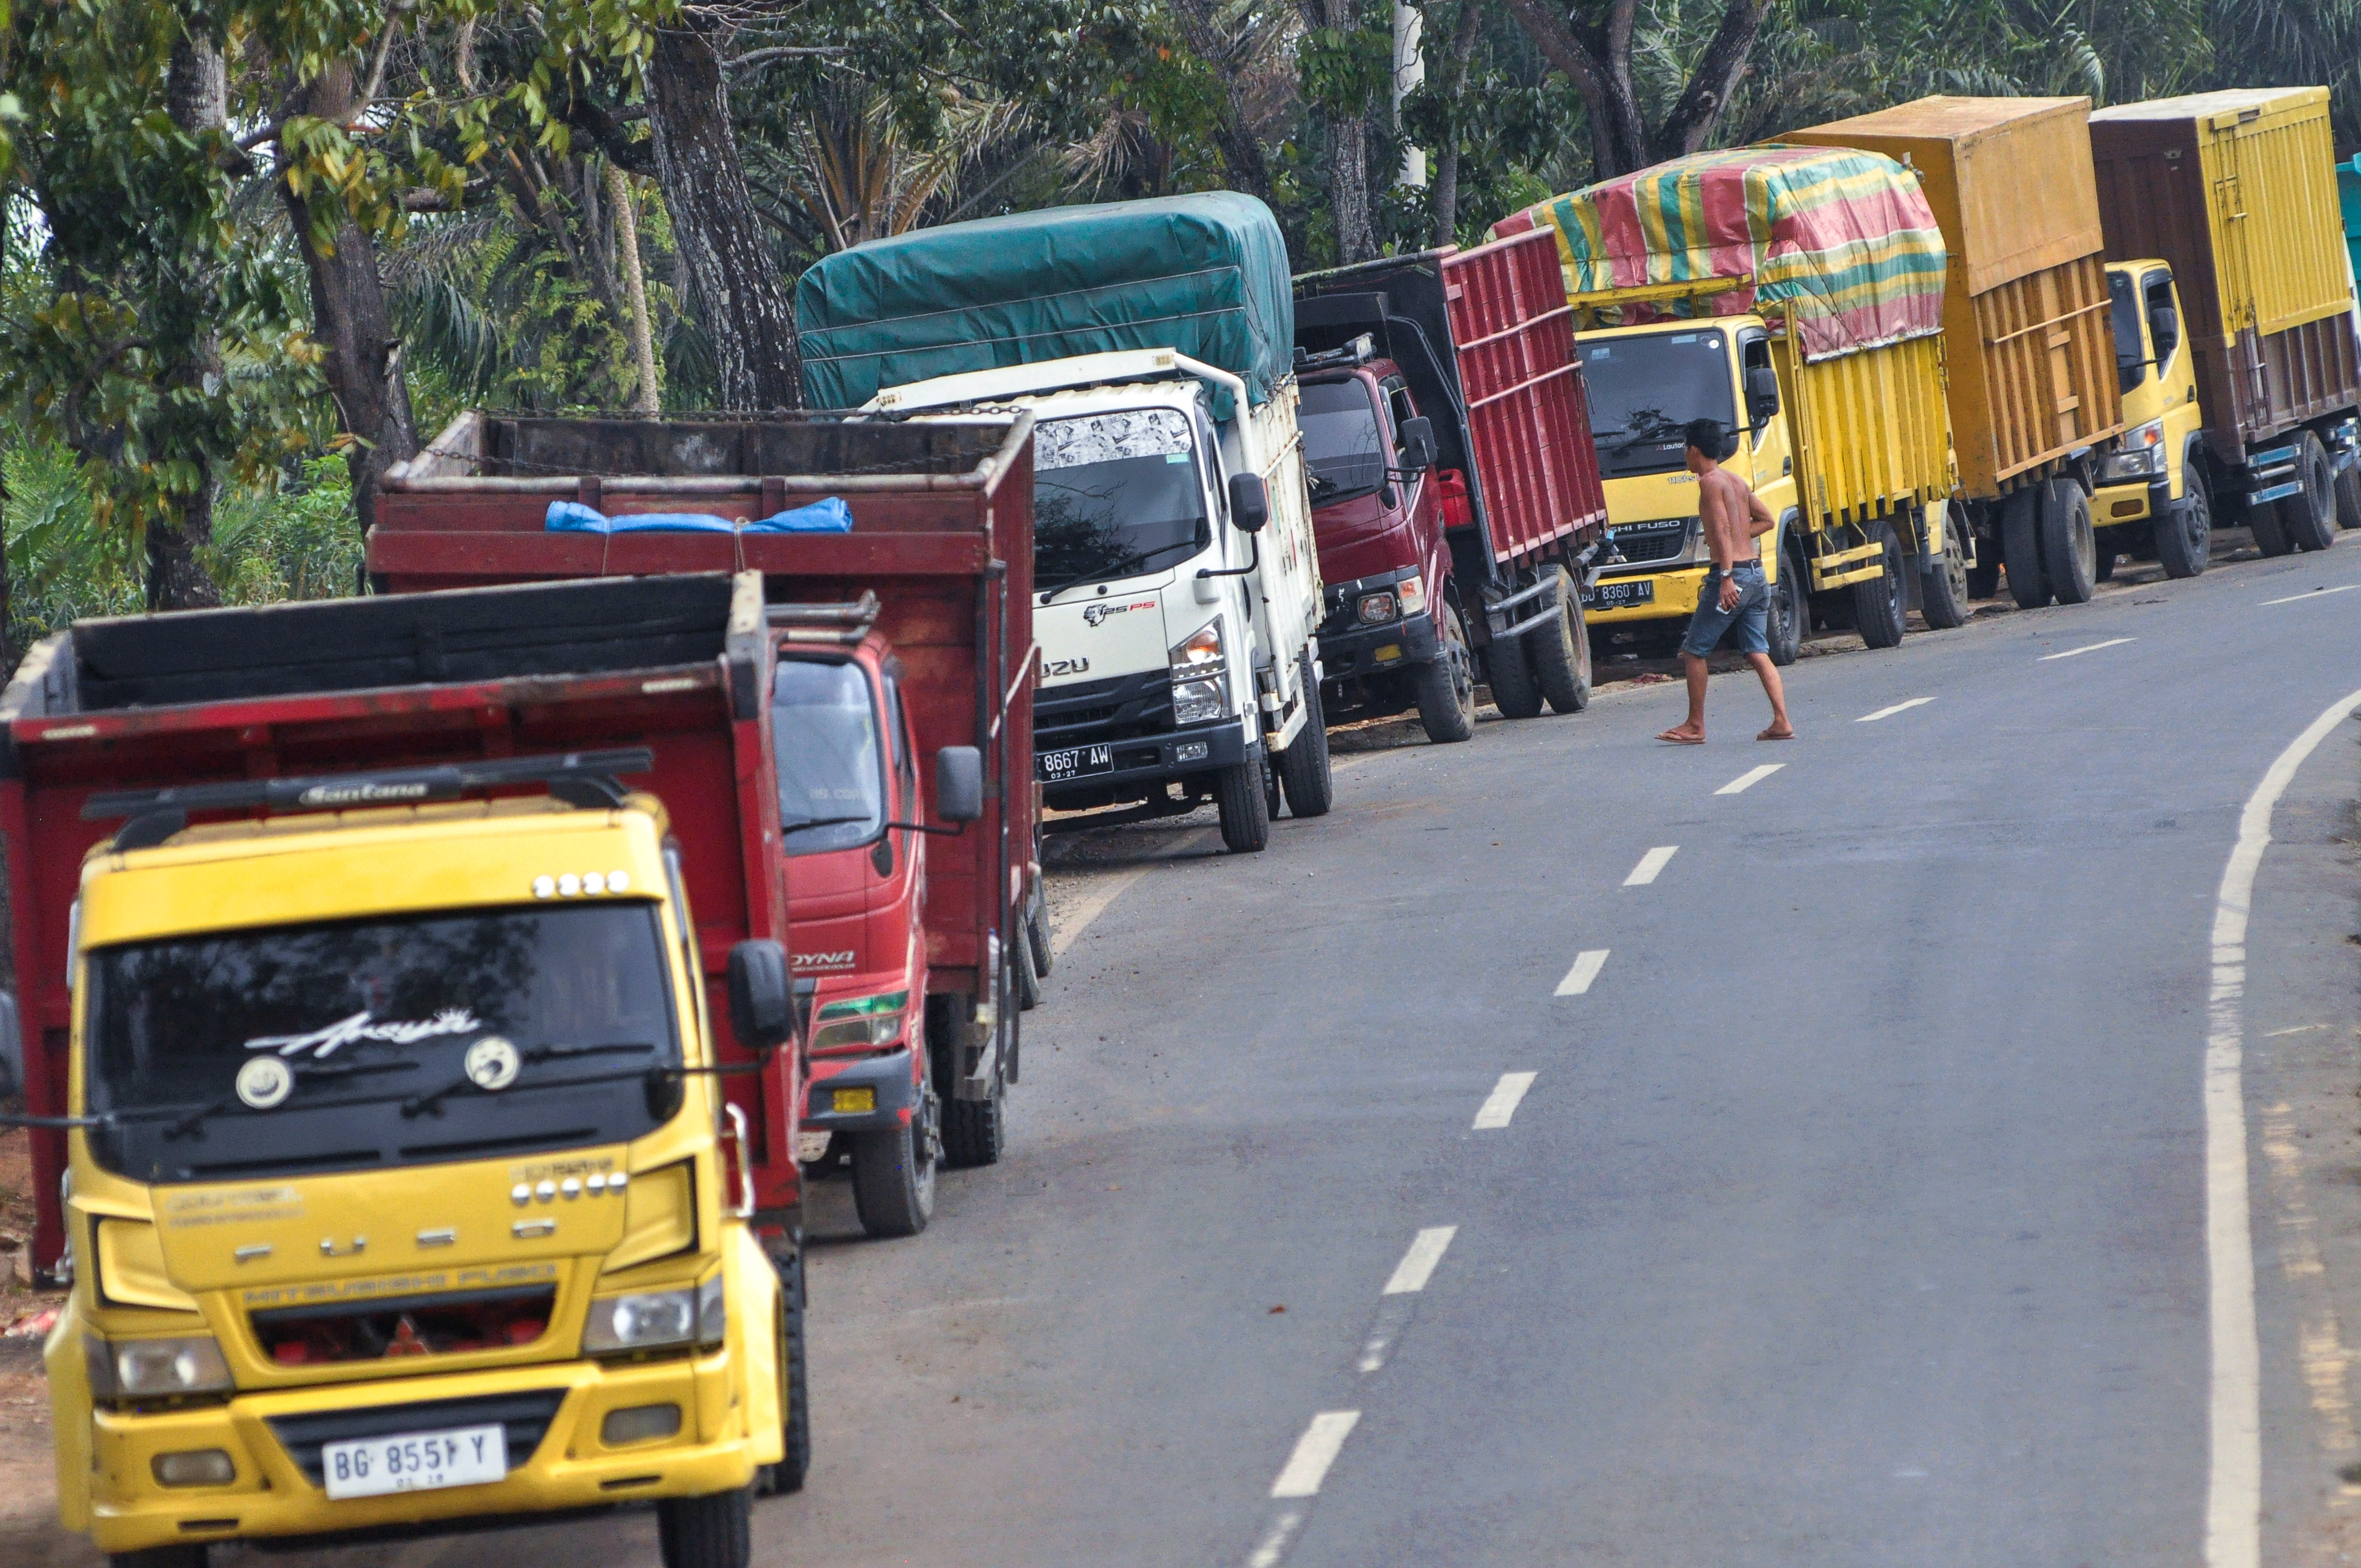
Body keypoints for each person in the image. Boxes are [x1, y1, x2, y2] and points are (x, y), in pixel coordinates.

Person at [1655, 417, 1794, 744]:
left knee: (1694, 651)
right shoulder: (1736, 481)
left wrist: (1727, 576)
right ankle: (1782, 720)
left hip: (1733, 577)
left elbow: (1720, 528)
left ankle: (1695, 725)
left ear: (1694, 449)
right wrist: (1735, 540)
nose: (1685, 455)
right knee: (1758, 651)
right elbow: (1766, 520)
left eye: (1685, 449)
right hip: (1757, 575)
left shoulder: (1710, 482)